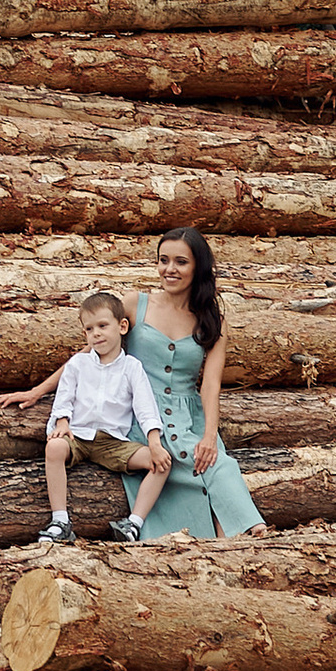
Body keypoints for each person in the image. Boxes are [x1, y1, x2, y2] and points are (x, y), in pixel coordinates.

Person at [0, 287, 174, 547]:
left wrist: (155, 443)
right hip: (77, 435)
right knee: (55, 447)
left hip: (113, 442)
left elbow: (146, 408)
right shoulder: (78, 364)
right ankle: (60, 521)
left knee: (163, 463)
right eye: (89, 329)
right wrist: (62, 423)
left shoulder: (132, 368)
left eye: (102, 325)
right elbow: (64, 398)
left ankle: (133, 523)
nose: (96, 334)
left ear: (122, 326)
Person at [125, 228, 265, 540]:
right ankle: (235, 538)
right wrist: (38, 391)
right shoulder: (136, 304)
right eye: (163, 260)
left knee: (218, 464)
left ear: (197, 267)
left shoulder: (211, 319)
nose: (169, 269)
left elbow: (211, 385)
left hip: (189, 415)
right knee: (179, 463)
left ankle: (249, 538)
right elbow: (91, 354)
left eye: (180, 262)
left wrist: (210, 437)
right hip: (143, 415)